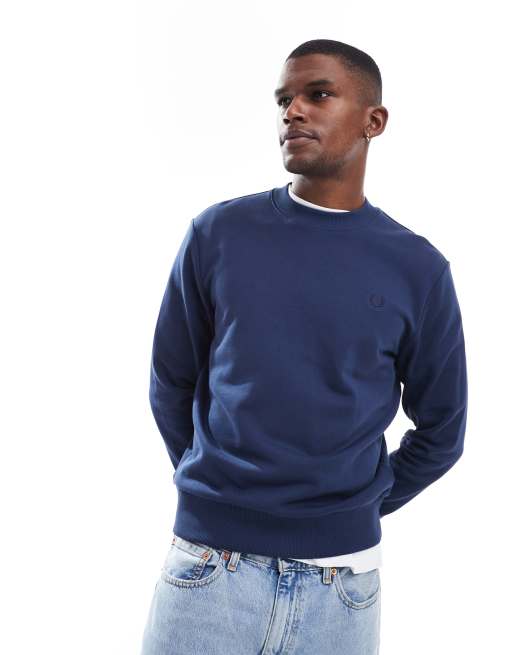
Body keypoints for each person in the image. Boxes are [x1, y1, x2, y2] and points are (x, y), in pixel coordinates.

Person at [140, 38, 468, 655]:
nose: (293, 111)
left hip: (341, 589)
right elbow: (171, 380)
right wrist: (215, 486)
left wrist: (355, 503)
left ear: (374, 121)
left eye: (318, 95)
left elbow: (443, 430)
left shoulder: (418, 269)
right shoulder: (219, 234)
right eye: (284, 100)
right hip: (208, 570)